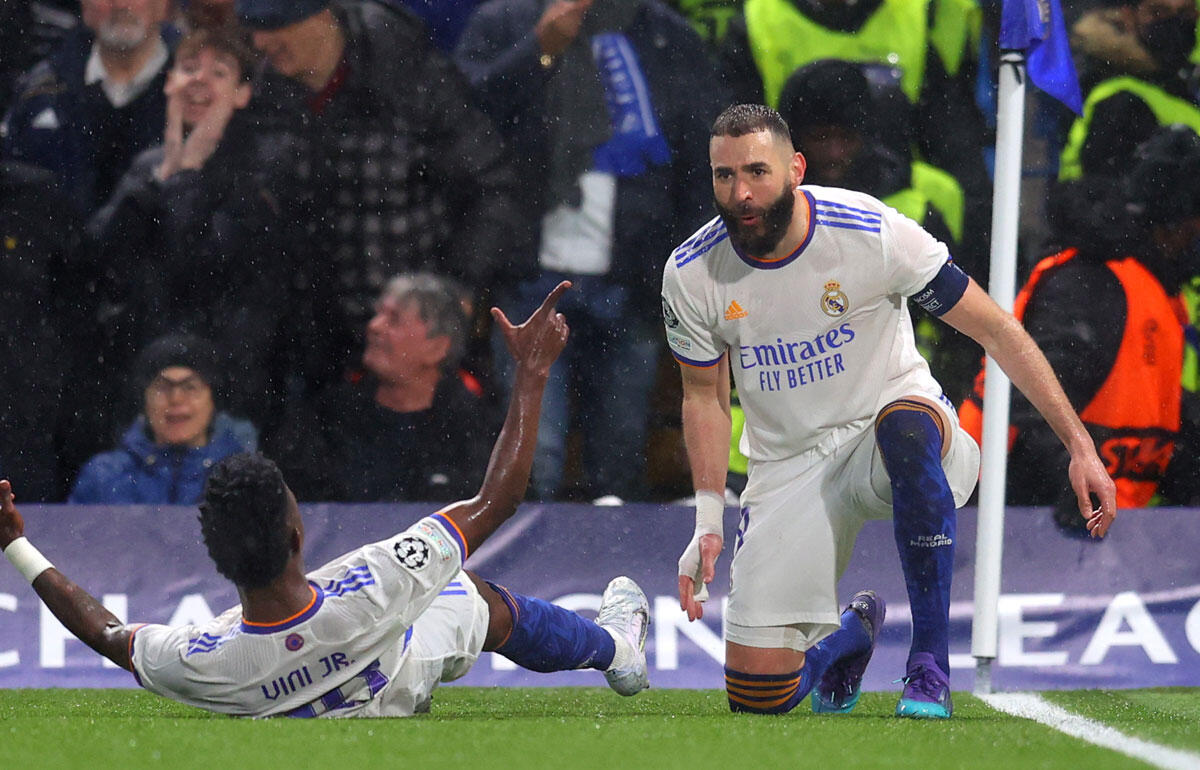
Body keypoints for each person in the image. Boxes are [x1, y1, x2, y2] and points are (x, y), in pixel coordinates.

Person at [1, 282, 653, 718]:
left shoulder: (205, 661)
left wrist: (16, 545)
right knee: (471, 595)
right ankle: (617, 651)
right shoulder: (375, 580)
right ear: (296, 535)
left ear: (218, 558)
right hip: (395, 671)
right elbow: (497, 500)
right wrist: (532, 374)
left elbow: (107, 633)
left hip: (306, 687)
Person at [661, 104, 1116, 719]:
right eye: (725, 175)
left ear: (795, 170)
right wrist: (708, 522)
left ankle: (930, 663)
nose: (741, 193)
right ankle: (852, 634)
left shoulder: (870, 231)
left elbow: (997, 330)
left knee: (904, 426)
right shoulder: (692, 272)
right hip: (789, 465)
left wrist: (1080, 448)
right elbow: (703, 396)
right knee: (758, 695)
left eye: (757, 172)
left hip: (892, 427)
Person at [455, 0, 725, 500]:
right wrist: (538, 50)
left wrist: (684, 271)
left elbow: (699, 162)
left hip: (631, 280)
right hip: (528, 279)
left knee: (620, 457)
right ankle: (525, 554)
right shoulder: (504, 21)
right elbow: (464, 123)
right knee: (533, 462)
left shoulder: (667, 35)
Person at [237, 0, 527, 386]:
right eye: (254, 28)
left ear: (322, 14)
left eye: (275, 25)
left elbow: (491, 186)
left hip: (413, 345)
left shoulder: (410, 77)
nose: (260, 42)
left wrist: (457, 286)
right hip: (312, 350)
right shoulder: (265, 95)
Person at [963, 125, 1200, 524]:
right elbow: (1031, 402)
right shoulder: (1090, 283)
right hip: (1001, 518)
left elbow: (1153, 425)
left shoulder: (1158, 294)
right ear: (1175, 225)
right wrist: (1074, 485)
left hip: (1088, 525)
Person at [86, 25, 315, 434]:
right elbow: (98, 257)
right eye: (189, 68)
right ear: (169, 82)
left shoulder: (267, 168)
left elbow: (198, 271)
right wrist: (162, 178)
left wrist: (185, 176)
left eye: (219, 72)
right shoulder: (149, 166)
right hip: (142, 380)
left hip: (228, 389)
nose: (200, 80)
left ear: (243, 94)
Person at [269, 273, 494, 502]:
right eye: (378, 314)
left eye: (393, 320)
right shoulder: (329, 416)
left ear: (436, 348)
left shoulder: (474, 428)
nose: (374, 326)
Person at [1, 0, 176, 216]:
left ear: (163, 5)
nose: (121, 4)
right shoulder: (38, 94)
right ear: (84, 6)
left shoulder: (198, 104)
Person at [68, 334, 258, 505]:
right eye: (162, 387)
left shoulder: (244, 480)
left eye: (190, 387)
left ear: (214, 400)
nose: (176, 399)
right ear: (144, 401)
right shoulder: (104, 477)